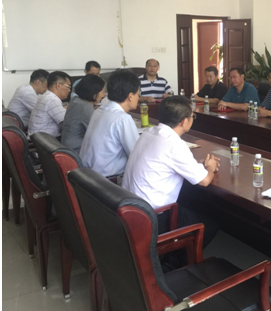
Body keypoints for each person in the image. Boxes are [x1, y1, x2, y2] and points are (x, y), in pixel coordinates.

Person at [122, 96, 220, 247]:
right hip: (154, 217)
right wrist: (210, 168)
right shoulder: (174, 144)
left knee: (188, 201)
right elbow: (205, 181)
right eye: (192, 116)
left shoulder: (150, 132)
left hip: (130, 207)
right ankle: (175, 259)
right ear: (184, 121)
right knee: (211, 225)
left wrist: (196, 164)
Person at [80, 70, 140, 179]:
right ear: (130, 96)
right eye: (138, 94)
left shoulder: (99, 111)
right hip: (107, 180)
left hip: (87, 175)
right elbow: (136, 154)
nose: (138, 98)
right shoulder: (123, 119)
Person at [61, 74, 106, 152]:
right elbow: (99, 132)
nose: (104, 95)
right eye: (102, 92)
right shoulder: (85, 107)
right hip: (76, 149)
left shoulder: (75, 100)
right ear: (93, 92)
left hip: (66, 144)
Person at [28, 71, 71, 138]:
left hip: (38, 139)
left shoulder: (46, 96)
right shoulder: (52, 100)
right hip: (43, 141)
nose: (69, 90)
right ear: (58, 85)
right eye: (68, 87)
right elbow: (67, 123)